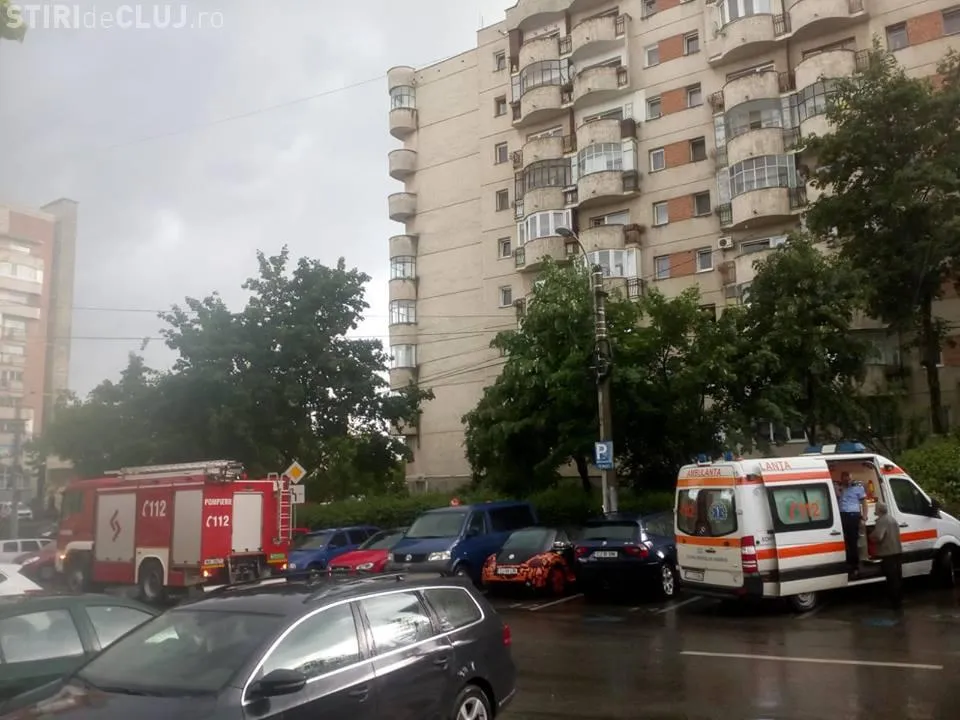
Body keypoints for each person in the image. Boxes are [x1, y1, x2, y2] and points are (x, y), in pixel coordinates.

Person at [870, 501, 903, 609]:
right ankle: (899, 600)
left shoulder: (881, 521)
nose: (875, 510)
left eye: (875, 508)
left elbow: (879, 536)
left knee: (891, 579)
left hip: (887, 553)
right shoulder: (892, 519)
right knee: (897, 577)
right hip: (897, 552)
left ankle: (894, 603)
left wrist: (870, 536)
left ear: (878, 510)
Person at [837, 472, 867, 574]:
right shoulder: (839, 488)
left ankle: (855, 566)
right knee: (844, 541)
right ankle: (847, 563)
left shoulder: (858, 487)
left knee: (853, 542)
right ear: (842, 479)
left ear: (851, 479)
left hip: (853, 515)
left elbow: (864, 503)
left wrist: (864, 517)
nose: (847, 481)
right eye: (845, 480)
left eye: (849, 479)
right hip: (842, 516)